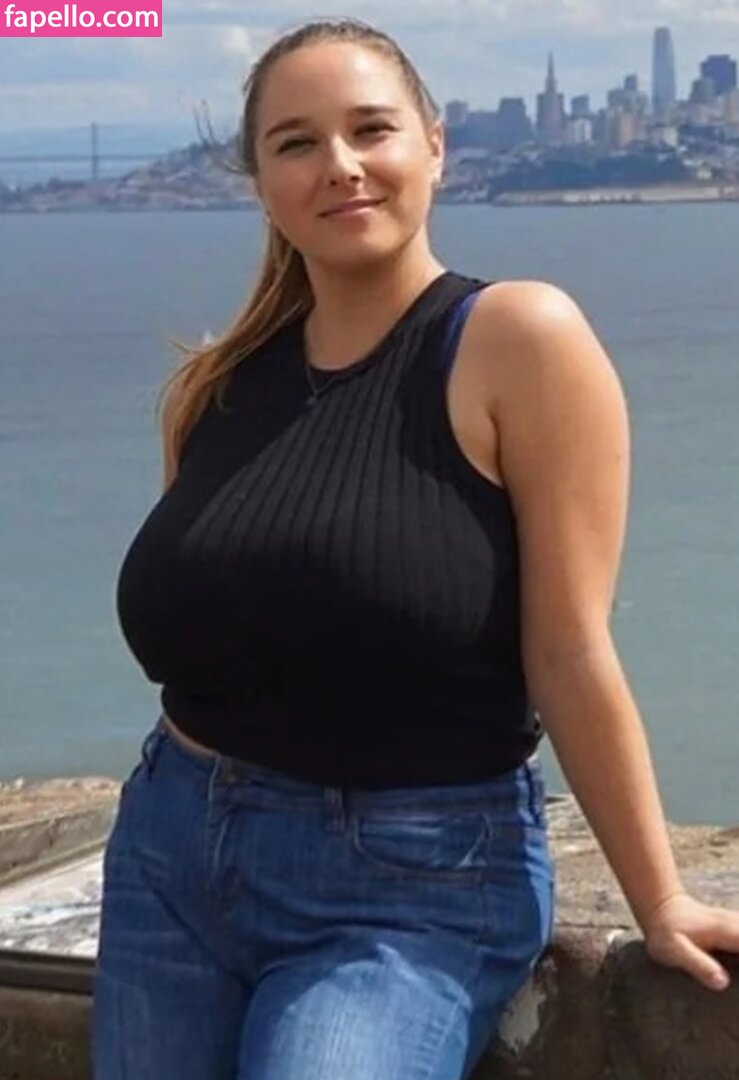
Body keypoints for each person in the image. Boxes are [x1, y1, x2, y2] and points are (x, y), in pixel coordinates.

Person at [91, 16, 739, 1080]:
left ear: (434, 146)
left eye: (371, 129)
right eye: (295, 142)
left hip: (410, 884)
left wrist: (658, 897)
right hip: (171, 856)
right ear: (260, 180)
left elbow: (569, 648)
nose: (339, 164)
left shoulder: (517, 338)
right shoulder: (217, 384)